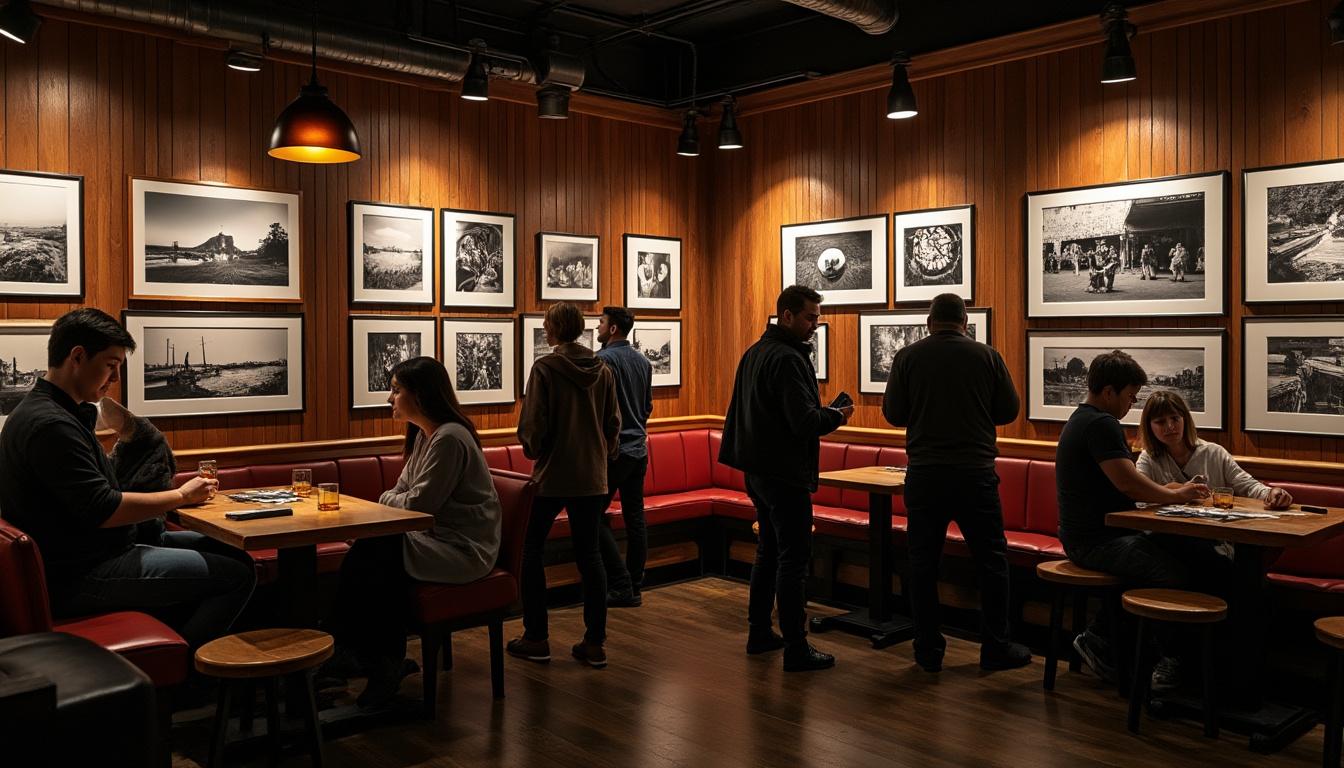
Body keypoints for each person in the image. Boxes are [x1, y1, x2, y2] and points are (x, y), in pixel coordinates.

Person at [0, 308, 254, 649]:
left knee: (236, 555)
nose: (115, 377)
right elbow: (104, 509)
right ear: (77, 357)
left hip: (90, 555)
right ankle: (193, 674)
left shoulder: (48, 412)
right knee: (237, 575)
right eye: (111, 365)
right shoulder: (51, 425)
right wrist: (182, 496)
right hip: (81, 574)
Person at [325, 356, 502, 708]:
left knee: (375, 552)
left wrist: (398, 499)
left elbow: (417, 506)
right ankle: (366, 656)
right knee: (372, 552)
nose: (390, 399)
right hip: (433, 539)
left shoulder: (450, 438)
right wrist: (399, 499)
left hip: (464, 549)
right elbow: (397, 496)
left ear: (419, 395)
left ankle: (365, 657)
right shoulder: (426, 435)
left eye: (396, 390)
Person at [1055, 351, 1227, 689]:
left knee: (1190, 553)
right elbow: (1128, 482)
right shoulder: (1101, 423)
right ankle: (1165, 661)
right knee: (1174, 572)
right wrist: (1176, 496)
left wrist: (1169, 490)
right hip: (1096, 540)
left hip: (1088, 535)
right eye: (1130, 396)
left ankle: (1109, 640)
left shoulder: (1080, 418)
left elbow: (1127, 482)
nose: (1131, 405)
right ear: (1108, 392)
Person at [882, 293, 1030, 673]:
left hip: (926, 473)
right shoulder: (987, 357)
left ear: (929, 322)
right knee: (992, 562)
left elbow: (894, 414)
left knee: (923, 563)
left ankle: (927, 650)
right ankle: (995, 647)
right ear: (965, 322)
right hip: (974, 472)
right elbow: (1008, 411)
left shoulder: (908, 357)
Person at [719, 285, 852, 672]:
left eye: (817, 317)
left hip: (756, 470)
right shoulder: (790, 359)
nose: (815, 325)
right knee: (794, 559)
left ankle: (760, 632)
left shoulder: (755, 353)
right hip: (784, 473)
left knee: (769, 553)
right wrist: (838, 415)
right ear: (787, 315)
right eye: (810, 317)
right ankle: (797, 646)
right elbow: (805, 422)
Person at [509, 302, 621, 669]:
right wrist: (601, 454)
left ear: (556, 329)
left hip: (553, 474)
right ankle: (594, 642)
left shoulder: (545, 368)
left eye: (546, 324)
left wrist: (534, 449)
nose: (544, 328)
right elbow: (613, 423)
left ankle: (536, 636)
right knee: (590, 556)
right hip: (592, 475)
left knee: (529, 551)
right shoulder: (602, 368)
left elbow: (533, 425)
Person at [1136, 390, 1292, 510]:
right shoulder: (1148, 458)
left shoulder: (1214, 453)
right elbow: (1139, 498)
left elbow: (1248, 486)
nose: (1170, 426)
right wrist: (1174, 490)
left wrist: (1272, 492)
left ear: (1185, 419)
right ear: (1149, 427)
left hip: (1211, 535)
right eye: (1160, 422)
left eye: (1175, 419)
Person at [594, 306, 654, 608]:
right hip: (639, 449)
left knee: (592, 516)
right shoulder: (643, 362)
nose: (597, 327)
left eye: (602, 323)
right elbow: (646, 408)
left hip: (614, 451)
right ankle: (635, 583)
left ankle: (619, 584)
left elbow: (600, 410)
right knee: (635, 518)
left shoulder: (603, 360)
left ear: (613, 328)